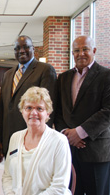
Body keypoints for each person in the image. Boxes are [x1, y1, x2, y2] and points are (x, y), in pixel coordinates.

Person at [55, 35, 110, 195]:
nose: (81, 54)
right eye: (76, 51)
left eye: (85, 49)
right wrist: (67, 133)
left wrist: (79, 133)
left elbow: (108, 111)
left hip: (96, 151)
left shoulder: (106, 76)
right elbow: (58, 111)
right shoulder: (64, 78)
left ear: (93, 50)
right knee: (70, 191)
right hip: (69, 151)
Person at [0, 35, 57, 162]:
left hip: (33, 139)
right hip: (9, 139)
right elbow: (3, 109)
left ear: (33, 49)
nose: (21, 51)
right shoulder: (7, 75)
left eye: (25, 47)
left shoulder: (45, 70)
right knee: (12, 177)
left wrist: (42, 139)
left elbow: (48, 108)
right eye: (17, 48)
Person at [2, 87, 71, 194]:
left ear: (48, 113)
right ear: (22, 111)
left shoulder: (59, 141)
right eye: (28, 108)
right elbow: (7, 176)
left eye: (39, 109)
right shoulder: (15, 138)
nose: (33, 113)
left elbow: (59, 186)